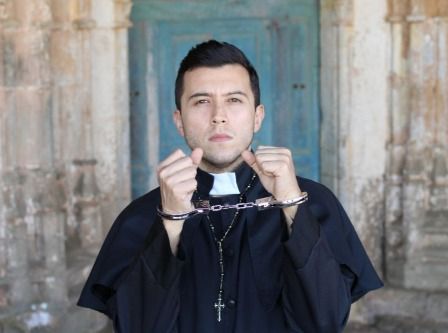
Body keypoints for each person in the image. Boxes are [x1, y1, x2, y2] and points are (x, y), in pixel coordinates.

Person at [78, 40, 383, 332]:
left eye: (234, 100)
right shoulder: (141, 215)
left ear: (257, 117)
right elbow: (136, 327)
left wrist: (292, 206)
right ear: (179, 121)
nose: (218, 117)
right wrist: (170, 223)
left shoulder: (314, 203)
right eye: (201, 102)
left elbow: (326, 321)